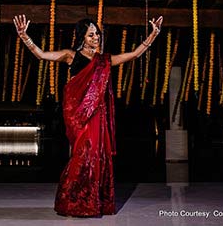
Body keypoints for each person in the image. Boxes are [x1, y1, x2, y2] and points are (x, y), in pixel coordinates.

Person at [13, 14, 163, 217]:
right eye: (91, 34)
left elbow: (134, 54)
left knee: (94, 156)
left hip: (96, 116)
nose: (96, 38)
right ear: (82, 37)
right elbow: (41, 55)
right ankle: (73, 199)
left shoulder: (104, 61)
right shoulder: (71, 56)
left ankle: (90, 201)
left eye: (97, 34)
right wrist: (24, 36)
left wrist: (154, 34)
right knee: (81, 155)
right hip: (77, 116)